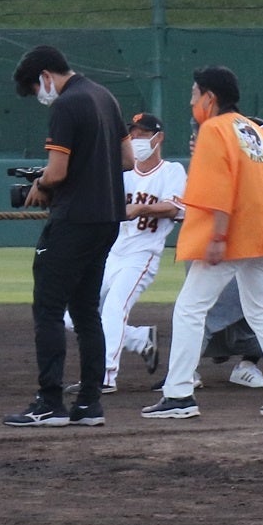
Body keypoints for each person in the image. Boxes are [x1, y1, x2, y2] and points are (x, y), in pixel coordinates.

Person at [140, 67, 263, 420]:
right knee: (260, 311)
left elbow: (218, 189)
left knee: (190, 309)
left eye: (194, 94)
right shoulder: (258, 132)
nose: (191, 101)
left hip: (231, 236)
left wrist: (217, 236)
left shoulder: (214, 130)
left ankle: (179, 395)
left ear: (210, 97)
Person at [6, 44, 126, 428]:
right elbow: (126, 160)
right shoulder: (104, 96)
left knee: (49, 308)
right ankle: (90, 403)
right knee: (87, 311)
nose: (40, 96)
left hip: (73, 219)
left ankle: (50, 401)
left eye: (36, 88)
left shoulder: (67, 104)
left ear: (44, 76)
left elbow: (57, 173)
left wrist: (40, 183)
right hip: (107, 218)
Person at [94, 112, 182, 396]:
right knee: (74, 311)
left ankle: (106, 375)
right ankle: (138, 338)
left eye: (143, 134)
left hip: (142, 256)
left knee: (113, 308)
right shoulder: (124, 176)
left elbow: (174, 208)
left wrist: (142, 208)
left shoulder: (172, 171)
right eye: (133, 135)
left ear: (159, 137)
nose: (137, 139)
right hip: (113, 255)